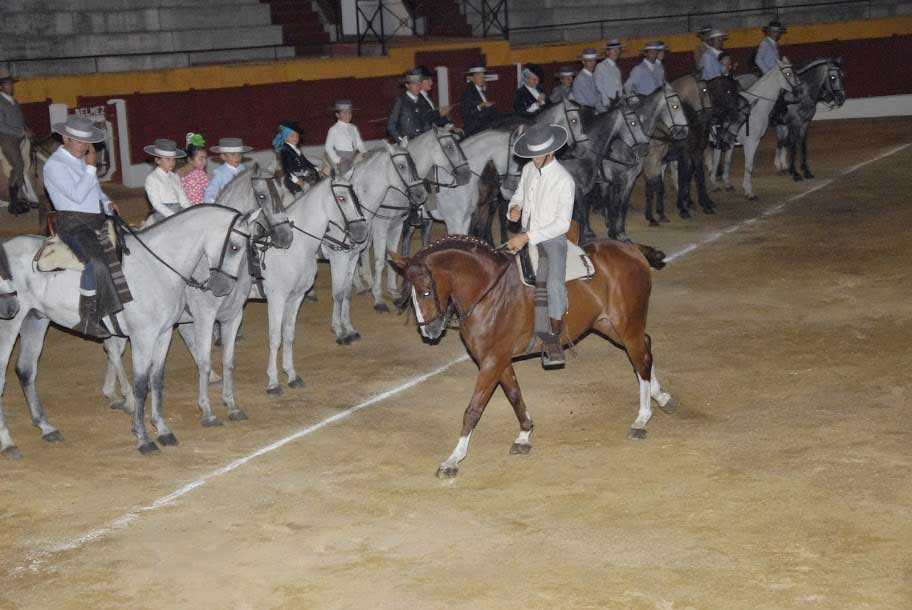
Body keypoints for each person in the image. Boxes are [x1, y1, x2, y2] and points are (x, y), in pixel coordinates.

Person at [43, 116, 124, 338]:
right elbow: (77, 196)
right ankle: (88, 318)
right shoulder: (54, 165)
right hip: (72, 223)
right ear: (65, 138)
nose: (84, 147)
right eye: (79, 141)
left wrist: (107, 203)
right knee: (96, 262)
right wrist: (90, 168)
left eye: (87, 142)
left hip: (96, 219)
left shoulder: (80, 161)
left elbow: (95, 192)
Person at [505, 123, 574, 368]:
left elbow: (562, 224)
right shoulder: (528, 170)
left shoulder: (564, 180)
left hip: (552, 239)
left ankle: (553, 337)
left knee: (554, 283)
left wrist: (527, 236)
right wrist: (514, 208)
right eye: (531, 155)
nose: (533, 159)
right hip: (525, 231)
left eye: (537, 155)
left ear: (550, 152)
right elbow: (519, 196)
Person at [0, 69, 32, 215]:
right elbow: (1, 125)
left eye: (11, 83)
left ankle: (25, 195)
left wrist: (27, 129)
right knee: (18, 165)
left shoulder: (15, 101)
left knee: (27, 162)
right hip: (7, 138)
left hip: (20, 137)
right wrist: (20, 132)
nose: (12, 86)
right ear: (2, 86)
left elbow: (21, 120)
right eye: (8, 84)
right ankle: (14, 202)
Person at [143, 138, 190, 219]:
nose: (172, 163)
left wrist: (190, 210)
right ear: (158, 160)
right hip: (163, 214)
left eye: (173, 159)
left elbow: (182, 198)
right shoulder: (152, 178)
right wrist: (173, 216)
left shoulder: (175, 176)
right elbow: (156, 204)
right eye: (168, 159)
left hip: (178, 209)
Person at [325, 100, 368, 175]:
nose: (348, 115)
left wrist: (364, 152)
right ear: (337, 115)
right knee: (346, 177)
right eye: (344, 113)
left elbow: (359, 143)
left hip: (354, 156)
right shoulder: (333, 129)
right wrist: (337, 160)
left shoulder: (353, 127)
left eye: (349, 113)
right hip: (343, 158)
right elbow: (328, 147)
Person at [274, 121, 318, 195]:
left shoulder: (296, 149)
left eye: (297, 136)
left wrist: (317, 169)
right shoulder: (285, 150)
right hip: (293, 180)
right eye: (292, 136)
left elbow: (306, 162)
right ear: (285, 138)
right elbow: (287, 169)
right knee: (301, 196)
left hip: (302, 175)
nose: (295, 138)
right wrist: (296, 180)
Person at [202, 137, 250, 203]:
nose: (237, 157)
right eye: (233, 154)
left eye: (239, 154)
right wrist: (213, 202)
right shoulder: (219, 172)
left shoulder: (245, 169)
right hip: (229, 204)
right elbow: (211, 192)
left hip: (246, 202)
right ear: (223, 157)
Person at [388, 68, 426, 146]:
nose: (418, 86)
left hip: (421, 142)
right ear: (407, 85)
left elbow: (425, 122)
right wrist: (400, 140)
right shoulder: (401, 101)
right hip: (408, 144)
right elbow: (391, 125)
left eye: (419, 84)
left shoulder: (422, 101)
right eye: (414, 84)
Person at [460, 64, 498, 137]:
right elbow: (466, 114)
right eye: (478, 75)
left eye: (483, 75)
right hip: (476, 130)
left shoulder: (484, 91)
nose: (482, 77)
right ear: (471, 78)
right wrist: (480, 106)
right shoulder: (468, 93)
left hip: (488, 127)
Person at [417, 66, 453, 130]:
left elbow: (436, 116)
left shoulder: (427, 97)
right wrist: (440, 113)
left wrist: (450, 125)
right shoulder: (417, 98)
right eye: (429, 80)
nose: (431, 83)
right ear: (420, 82)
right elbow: (424, 117)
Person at [179, 132, 209, 205]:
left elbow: (209, 191)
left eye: (205, 158)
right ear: (190, 160)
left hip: (200, 209)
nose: (204, 162)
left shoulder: (201, 174)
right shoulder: (177, 175)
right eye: (201, 159)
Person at [594, 39, 624, 111]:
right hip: (607, 103)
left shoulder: (617, 69)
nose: (616, 52)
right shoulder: (601, 66)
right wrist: (606, 101)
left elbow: (619, 86)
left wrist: (621, 97)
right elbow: (598, 85)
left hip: (618, 102)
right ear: (607, 52)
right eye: (613, 50)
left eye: (618, 50)